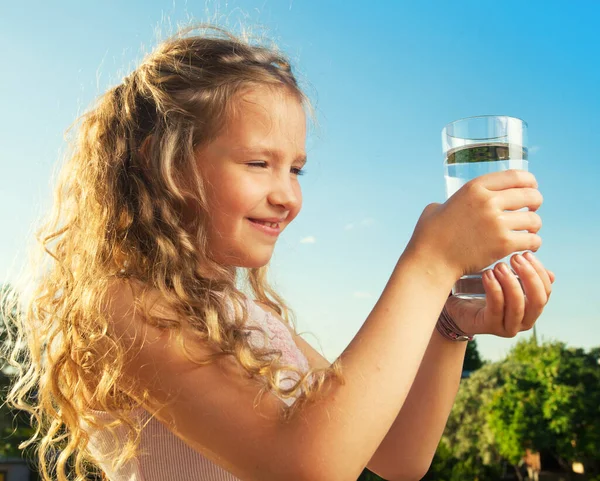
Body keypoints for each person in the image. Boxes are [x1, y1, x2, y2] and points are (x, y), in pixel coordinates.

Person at [3, 24, 554, 481]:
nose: (288, 195)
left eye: (296, 168)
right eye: (258, 163)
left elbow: (395, 456)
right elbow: (307, 467)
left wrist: (449, 324)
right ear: (165, 165)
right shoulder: (119, 303)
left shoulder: (249, 317)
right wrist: (429, 261)